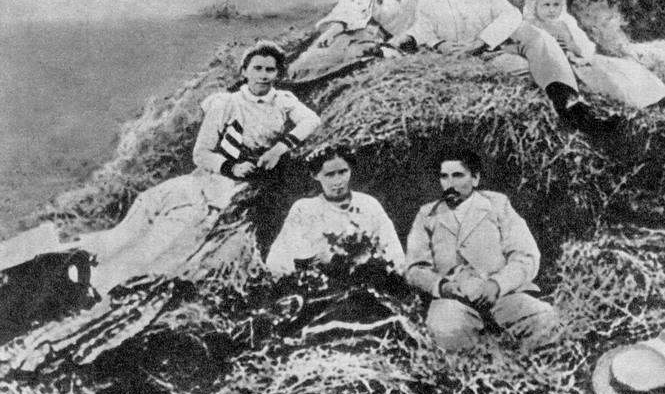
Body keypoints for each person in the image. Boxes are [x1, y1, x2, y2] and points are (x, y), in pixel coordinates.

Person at [74, 41, 321, 294]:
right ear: (244, 71)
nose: (263, 75)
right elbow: (200, 153)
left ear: (278, 74)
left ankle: (103, 285)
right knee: (146, 207)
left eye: (270, 70)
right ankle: (81, 257)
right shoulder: (226, 103)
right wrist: (231, 168)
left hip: (232, 188)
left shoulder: (282, 101)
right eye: (257, 68)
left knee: (168, 237)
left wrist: (278, 149)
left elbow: (311, 120)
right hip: (210, 175)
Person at [397, 0, 588, 125]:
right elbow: (422, 28)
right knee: (540, 71)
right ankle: (561, 89)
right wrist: (438, 44)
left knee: (530, 39)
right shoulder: (429, 2)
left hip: (492, 56)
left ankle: (570, 104)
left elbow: (511, 16)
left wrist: (480, 42)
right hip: (454, 63)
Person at [404, 147, 558, 351]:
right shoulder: (427, 215)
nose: (450, 184)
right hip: (453, 301)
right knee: (446, 329)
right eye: (444, 177)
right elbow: (415, 269)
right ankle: (469, 374)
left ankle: (522, 370)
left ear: (475, 178)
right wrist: (443, 287)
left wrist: (497, 284)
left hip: (502, 296)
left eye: (458, 176)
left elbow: (525, 255)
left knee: (544, 318)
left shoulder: (497, 205)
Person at [523, 0, 665, 109]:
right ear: (535, 6)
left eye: (556, 5)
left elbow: (576, 48)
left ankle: (646, 101)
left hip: (573, 61)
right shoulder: (530, 26)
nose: (551, 10)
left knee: (618, 75)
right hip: (553, 65)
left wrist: (569, 46)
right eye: (546, 5)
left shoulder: (561, 25)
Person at [288, 0, 421, 84]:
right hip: (356, 36)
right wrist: (333, 31)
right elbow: (348, 13)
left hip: (390, 42)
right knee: (318, 62)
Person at [266, 144, 405, 276]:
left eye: (343, 172)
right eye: (330, 175)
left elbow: (394, 250)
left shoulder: (368, 204)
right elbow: (278, 257)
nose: (338, 181)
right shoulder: (304, 209)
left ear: (351, 170)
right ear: (315, 175)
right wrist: (315, 259)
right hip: (319, 287)